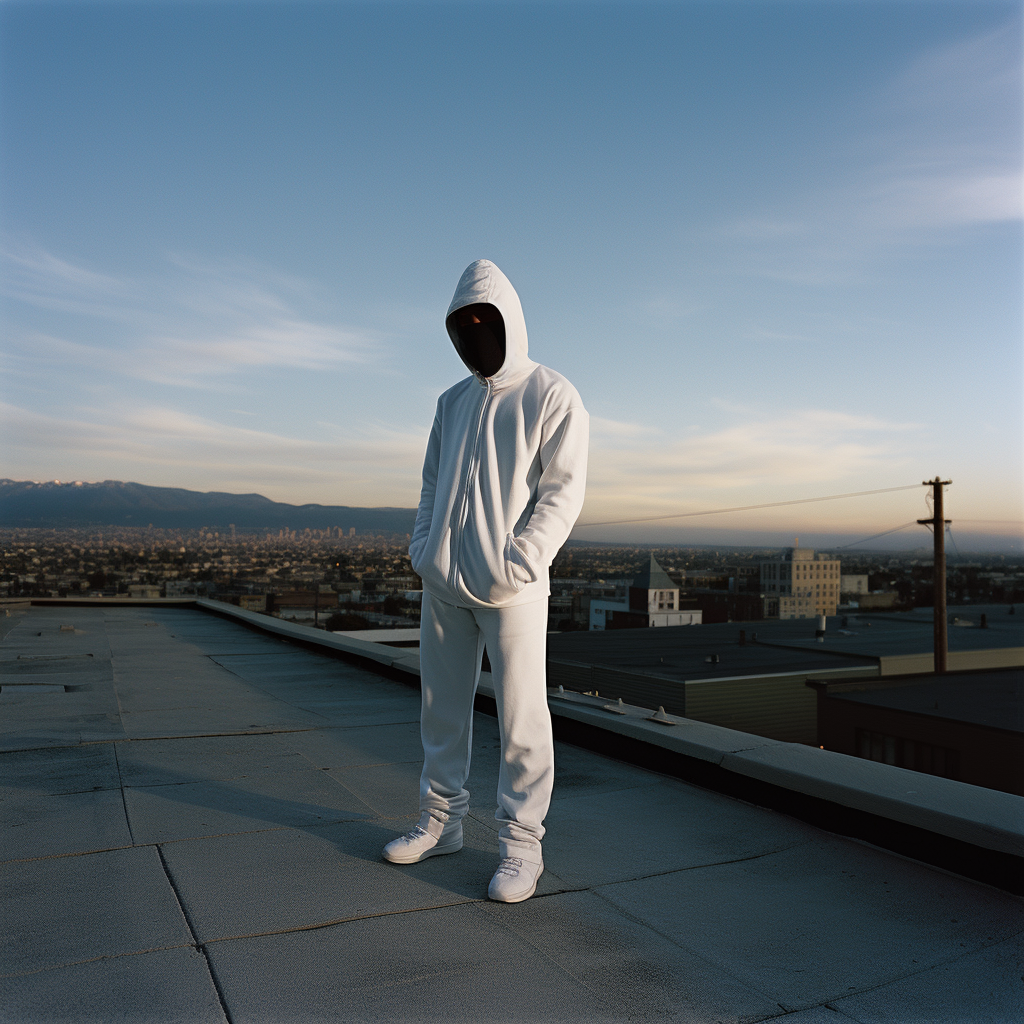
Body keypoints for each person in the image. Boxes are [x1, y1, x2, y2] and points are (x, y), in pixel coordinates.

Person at [382, 259, 589, 902]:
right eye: (462, 327)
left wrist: (521, 563)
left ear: (509, 322)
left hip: (514, 592)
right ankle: (441, 823)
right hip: (444, 583)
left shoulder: (552, 394)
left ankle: (522, 846)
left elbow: (562, 493)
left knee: (524, 716)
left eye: (483, 322)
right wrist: (426, 550)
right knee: (441, 709)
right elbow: (429, 485)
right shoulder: (452, 401)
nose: (472, 337)